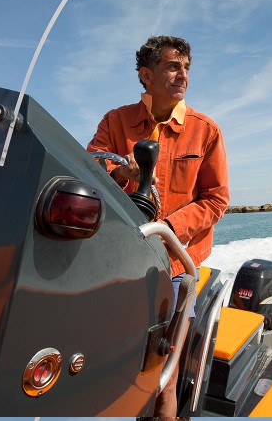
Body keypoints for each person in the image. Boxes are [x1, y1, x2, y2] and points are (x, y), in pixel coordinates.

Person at [87, 35, 230, 417]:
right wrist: (121, 171)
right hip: (119, 262)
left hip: (176, 266)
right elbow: (90, 169)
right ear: (146, 75)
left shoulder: (206, 130)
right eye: (172, 67)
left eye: (186, 68)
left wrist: (166, 228)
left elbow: (216, 199)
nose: (182, 75)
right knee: (107, 365)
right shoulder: (115, 121)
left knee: (163, 379)